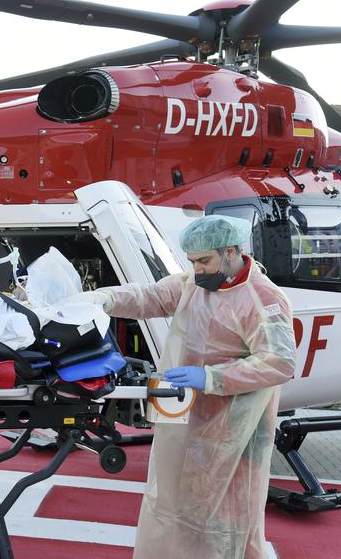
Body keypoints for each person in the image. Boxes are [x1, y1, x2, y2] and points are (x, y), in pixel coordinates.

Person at [79, 215, 296, 558]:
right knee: (184, 506)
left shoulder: (262, 299)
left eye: (204, 261)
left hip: (237, 425)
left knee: (231, 517)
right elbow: (149, 297)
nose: (197, 269)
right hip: (194, 415)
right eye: (192, 261)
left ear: (230, 252)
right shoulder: (195, 284)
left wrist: (212, 378)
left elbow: (279, 362)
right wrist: (102, 299)